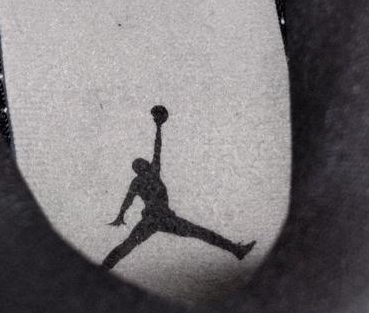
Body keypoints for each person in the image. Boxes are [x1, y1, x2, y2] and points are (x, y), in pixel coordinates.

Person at [103, 105, 255, 269]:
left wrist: (121, 215)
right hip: (158, 218)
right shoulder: (148, 175)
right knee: (201, 233)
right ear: (140, 168)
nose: (144, 163)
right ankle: (237, 250)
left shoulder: (145, 177)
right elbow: (156, 150)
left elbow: (156, 151)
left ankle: (237, 250)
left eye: (142, 162)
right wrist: (158, 126)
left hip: (159, 219)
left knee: (130, 244)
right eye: (141, 163)